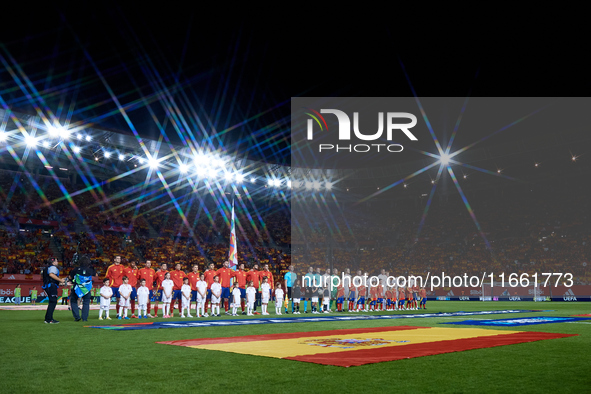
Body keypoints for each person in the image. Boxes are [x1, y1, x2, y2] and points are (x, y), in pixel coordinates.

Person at [68, 255, 96, 322]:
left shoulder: (76, 269)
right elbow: (95, 276)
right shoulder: (90, 270)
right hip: (87, 289)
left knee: (73, 301)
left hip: (77, 288)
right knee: (86, 303)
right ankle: (84, 318)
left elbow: (70, 277)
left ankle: (77, 316)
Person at [42, 258, 66, 324]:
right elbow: (51, 275)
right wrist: (61, 280)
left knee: (52, 302)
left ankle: (48, 318)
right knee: (53, 302)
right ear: (53, 263)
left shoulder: (48, 268)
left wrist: (61, 281)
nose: (57, 262)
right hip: (51, 286)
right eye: (56, 261)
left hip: (49, 286)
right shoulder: (53, 268)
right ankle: (49, 319)